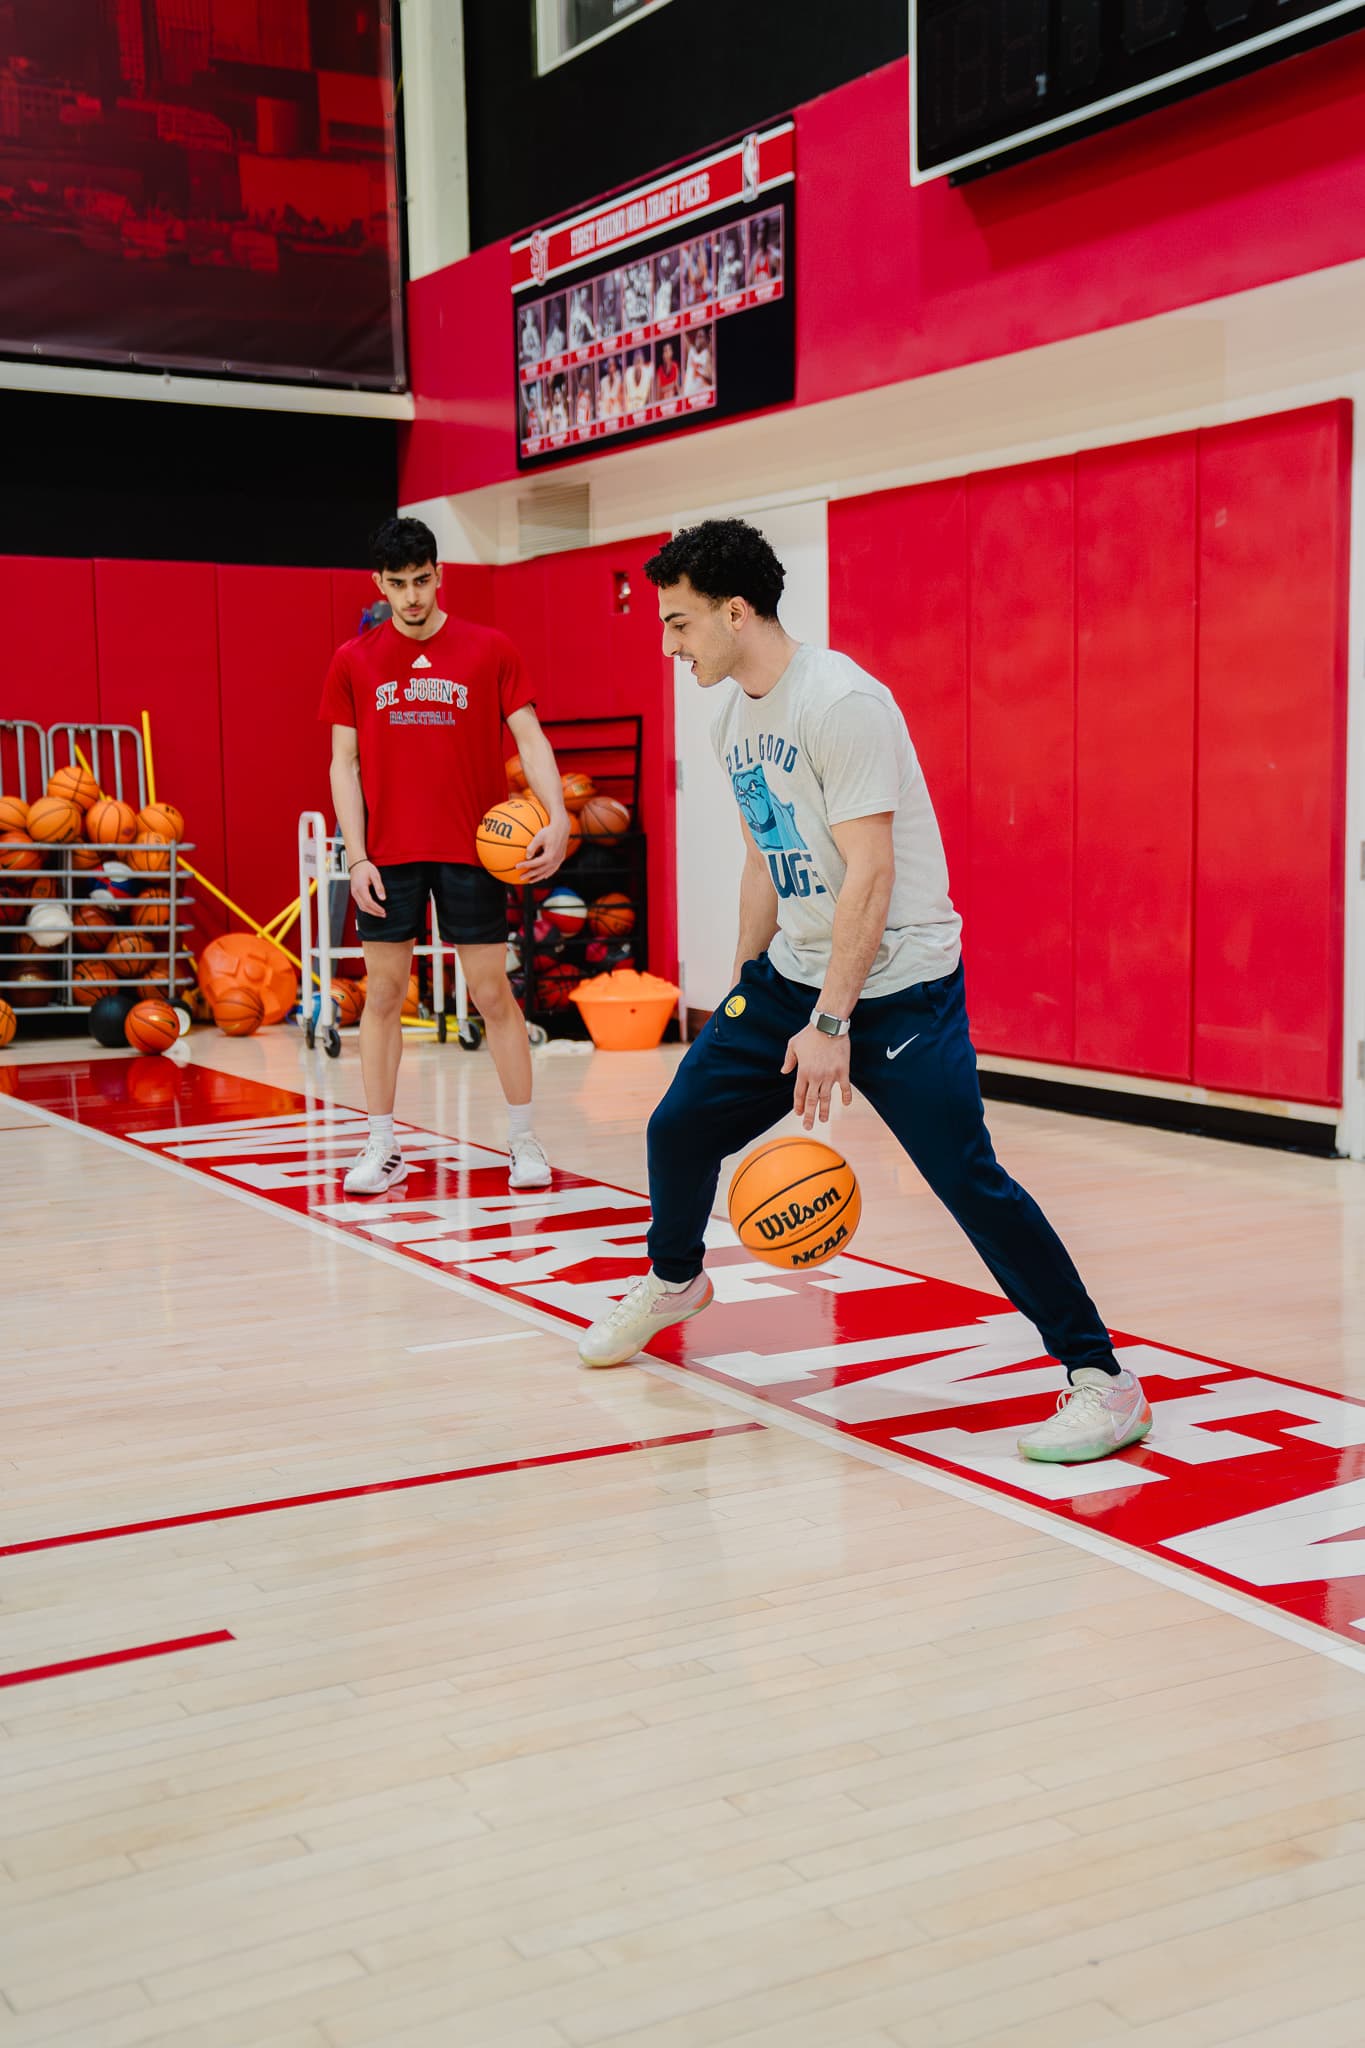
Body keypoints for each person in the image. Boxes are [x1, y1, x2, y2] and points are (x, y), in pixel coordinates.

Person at [577, 520, 1153, 1466]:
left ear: (733, 612)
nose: (669, 645)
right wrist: (743, 993)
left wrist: (830, 1023)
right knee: (677, 1126)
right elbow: (767, 859)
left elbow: (871, 874)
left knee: (967, 1181)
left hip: (897, 987)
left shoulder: (840, 702)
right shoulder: (732, 717)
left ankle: (1102, 1380)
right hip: (792, 975)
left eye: (679, 625)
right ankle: (675, 1280)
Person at [320, 517, 571, 1196]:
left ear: (440, 574)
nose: (411, 597)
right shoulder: (353, 659)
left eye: (422, 580)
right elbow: (343, 764)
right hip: (389, 855)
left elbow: (532, 738)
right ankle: (382, 1145)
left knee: (493, 995)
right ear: (378, 584)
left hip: (474, 850)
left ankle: (523, 1140)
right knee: (382, 996)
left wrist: (559, 815)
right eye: (397, 584)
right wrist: (357, 855)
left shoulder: (490, 649)